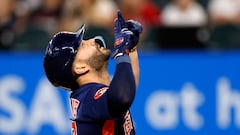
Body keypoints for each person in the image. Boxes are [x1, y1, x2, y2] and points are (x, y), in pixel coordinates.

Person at [43, 10, 142, 135]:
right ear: (80, 68)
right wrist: (123, 52)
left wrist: (130, 48)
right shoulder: (89, 95)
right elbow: (122, 97)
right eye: (83, 46)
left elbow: (128, 86)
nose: (92, 40)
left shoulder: (87, 95)